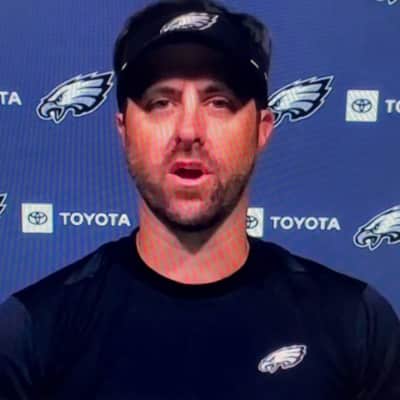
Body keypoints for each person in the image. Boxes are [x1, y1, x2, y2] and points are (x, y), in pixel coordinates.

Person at [1, 0, 399, 398]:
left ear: (262, 129)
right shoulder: (33, 333)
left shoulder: (357, 324)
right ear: (124, 130)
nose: (189, 130)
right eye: (161, 102)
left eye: (219, 102)